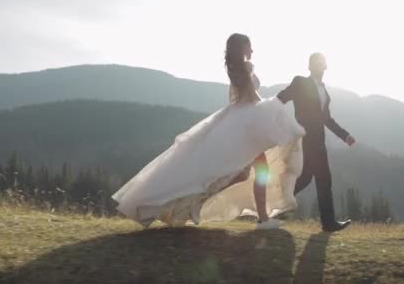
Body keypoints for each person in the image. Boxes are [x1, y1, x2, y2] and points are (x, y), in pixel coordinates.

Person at [112, 33, 305, 230]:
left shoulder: (235, 69)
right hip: (246, 125)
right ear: (241, 48)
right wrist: (280, 99)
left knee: (243, 174)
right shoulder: (243, 69)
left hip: (243, 122)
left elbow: (237, 98)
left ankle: (198, 202)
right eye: (249, 46)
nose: (252, 50)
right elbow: (252, 98)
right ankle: (260, 219)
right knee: (254, 171)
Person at [277, 52, 356, 232]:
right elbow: (281, 98)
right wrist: (269, 113)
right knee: (322, 179)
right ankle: (328, 223)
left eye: (321, 63)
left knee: (306, 178)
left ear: (325, 67)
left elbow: (326, 119)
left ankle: (279, 204)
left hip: (319, 141)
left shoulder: (324, 92)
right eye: (315, 63)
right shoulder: (300, 83)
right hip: (304, 139)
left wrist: (345, 136)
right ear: (309, 66)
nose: (318, 66)